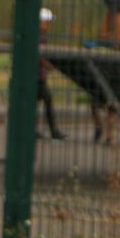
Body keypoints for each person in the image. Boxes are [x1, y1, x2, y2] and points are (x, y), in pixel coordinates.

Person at [36, 7, 66, 140]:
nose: (49, 25)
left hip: (38, 76)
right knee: (47, 100)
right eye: (47, 22)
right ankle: (53, 130)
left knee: (39, 101)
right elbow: (40, 57)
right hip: (36, 77)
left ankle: (34, 129)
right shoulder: (39, 36)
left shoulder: (39, 35)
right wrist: (50, 66)